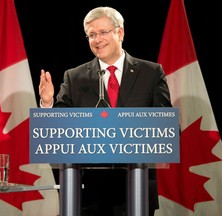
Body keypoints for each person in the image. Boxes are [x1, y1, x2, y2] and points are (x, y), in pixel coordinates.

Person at [39, 6, 172, 216]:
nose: (97, 39)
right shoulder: (74, 77)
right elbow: (58, 130)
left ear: (120, 32)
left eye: (103, 32)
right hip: (87, 191)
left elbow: (168, 128)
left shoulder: (151, 72)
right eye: (91, 35)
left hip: (136, 188)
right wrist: (47, 105)